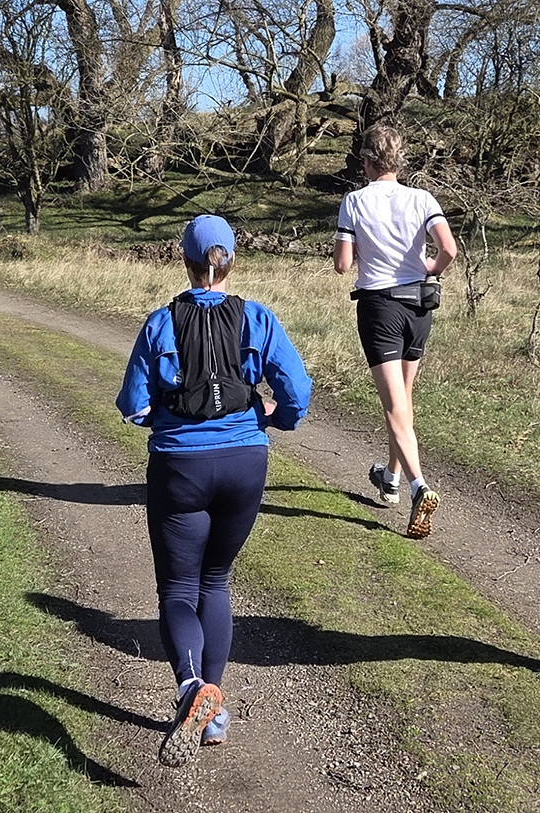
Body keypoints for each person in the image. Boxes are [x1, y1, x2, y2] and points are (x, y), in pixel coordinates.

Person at [117, 215, 313, 766]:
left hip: (180, 467)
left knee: (179, 589)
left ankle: (189, 687)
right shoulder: (257, 318)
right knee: (217, 580)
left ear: (183, 260)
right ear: (231, 261)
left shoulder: (160, 323)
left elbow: (132, 404)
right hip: (246, 463)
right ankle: (216, 708)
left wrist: (162, 420)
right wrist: (278, 420)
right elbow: (297, 388)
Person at [333, 125, 458, 538]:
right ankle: (390, 477)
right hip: (419, 305)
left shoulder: (354, 201)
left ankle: (419, 485)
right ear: (398, 161)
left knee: (393, 406)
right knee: (403, 401)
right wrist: (429, 268)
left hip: (380, 306)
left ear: (367, 161)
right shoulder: (423, 199)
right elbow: (450, 249)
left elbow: (342, 265)